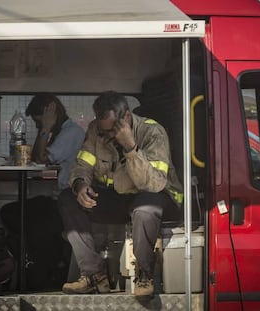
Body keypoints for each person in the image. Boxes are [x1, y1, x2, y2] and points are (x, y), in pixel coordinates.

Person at [59, 90, 183, 296]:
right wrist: (80, 185)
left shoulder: (152, 132)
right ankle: (93, 275)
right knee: (67, 200)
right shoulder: (95, 130)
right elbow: (82, 164)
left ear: (126, 117)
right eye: (102, 129)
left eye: (111, 129)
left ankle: (144, 275)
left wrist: (130, 147)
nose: (106, 135)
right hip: (120, 198)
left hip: (157, 196)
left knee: (144, 209)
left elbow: (151, 184)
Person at [0, 94, 86, 290]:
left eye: (40, 121)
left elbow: (40, 158)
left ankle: (43, 269)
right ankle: (38, 257)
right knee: (11, 213)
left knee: (30, 222)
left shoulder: (71, 132)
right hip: (60, 198)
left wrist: (46, 128)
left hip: (69, 203)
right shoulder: (63, 132)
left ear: (52, 113)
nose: (39, 127)